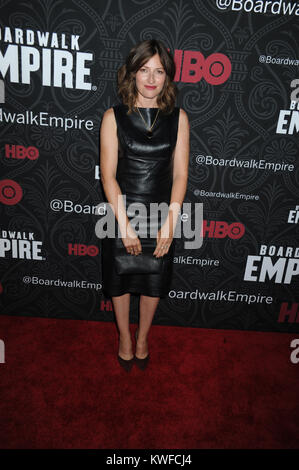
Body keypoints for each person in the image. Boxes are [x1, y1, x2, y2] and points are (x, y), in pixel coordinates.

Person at [100, 39, 189, 372]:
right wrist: (123, 226)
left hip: (162, 214)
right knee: (119, 280)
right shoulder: (113, 117)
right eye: (144, 70)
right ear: (132, 74)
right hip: (120, 212)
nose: (151, 79)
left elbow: (181, 175)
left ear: (167, 77)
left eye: (159, 71)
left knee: (154, 280)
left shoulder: (179, 118)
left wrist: (170, 223)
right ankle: (124, 336)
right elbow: (108, 177)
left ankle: (143, 338)